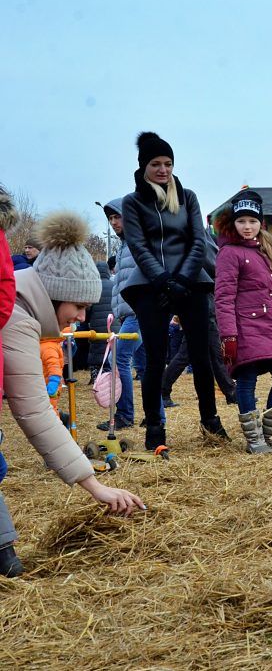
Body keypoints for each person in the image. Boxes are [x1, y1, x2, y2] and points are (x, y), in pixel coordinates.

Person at [1, 210, 145, 578]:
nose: (82, 317)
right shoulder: (16, 318)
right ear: (55, 293)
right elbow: (34, 410)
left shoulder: (21, 308)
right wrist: (94, 486)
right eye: (79, 306)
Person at [120, 131, 229, 452]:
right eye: (156, 164)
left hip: (192, 281)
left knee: (202, 353)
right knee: (154, 358)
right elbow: (138, 246)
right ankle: (155, 428)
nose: (163, 169)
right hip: (150, 286)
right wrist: (164, 281)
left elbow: (198, 239)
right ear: (144, 167)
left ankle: (210, 422)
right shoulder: (133, 202)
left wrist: (181, 279)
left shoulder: (188, 196)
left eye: (168, 163)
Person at [213, 190, 272, 455]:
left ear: (261, 223)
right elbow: (223, 297)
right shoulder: (229, 253)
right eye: (241, 221)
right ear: (232, 224)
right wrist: (229, 336)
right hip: (245, 329)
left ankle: (270, 434)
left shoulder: (268, 249)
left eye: (252, 221)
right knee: (246, 381)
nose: (247, 227)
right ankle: (254, 439)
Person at [99, 198, 147, 430]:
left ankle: (126, 415)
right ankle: (154, 415)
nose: (114, 222)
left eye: (118, 217)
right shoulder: (124, 246)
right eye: (111, 219)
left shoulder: (138, 242)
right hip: (131, 314)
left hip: (138, 313)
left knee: (117, 359)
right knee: (145, 365)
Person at [161, 297, 237, 408]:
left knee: (210, 356)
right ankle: (162, 392)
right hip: (202, 310)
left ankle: (231, 393)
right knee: (208, 356)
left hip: (199, 310)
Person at [85, 260, 116, 383]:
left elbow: (88, 308)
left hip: (96, 324)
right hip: (114, 324)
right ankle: (111, 374)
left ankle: (96, 376)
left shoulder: (93, 286)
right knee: (112, 348)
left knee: (96, 349)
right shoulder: (114, 285)